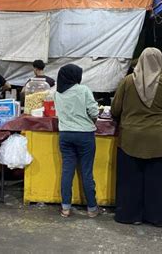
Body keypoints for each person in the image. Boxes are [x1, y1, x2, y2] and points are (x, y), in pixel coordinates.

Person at [111, 48, 162, 227]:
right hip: (159, 140)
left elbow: (115, 109)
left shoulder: (127, 82)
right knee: (158, 182)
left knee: (130, 180)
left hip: (130, 139)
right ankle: (155, 217)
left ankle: (129, 215)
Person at [54, 64, 99, 218]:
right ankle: (92, 208)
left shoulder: (57, 93)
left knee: (67, 172)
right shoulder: (83, 90)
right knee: (86, 172)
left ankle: (65, 208)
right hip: (85, 135)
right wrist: (93, 120)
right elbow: (93, 111)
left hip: (65, 135)